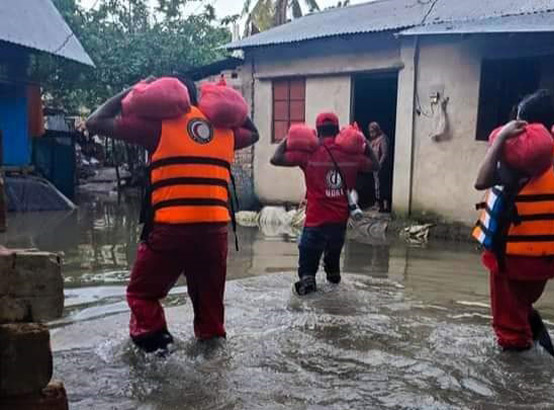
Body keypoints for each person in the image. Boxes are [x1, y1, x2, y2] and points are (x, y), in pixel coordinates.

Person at [85, 75, 259, 353]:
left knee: (142, 295)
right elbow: (255, 132)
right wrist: (223, 104)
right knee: (210, 307)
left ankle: (158, 352)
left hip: (171, 231)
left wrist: (132, 90)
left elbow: (94, 121)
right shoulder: (225, 132)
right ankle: (212, 362)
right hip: (215, 234)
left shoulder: (156, 126)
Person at [473, 90, 554, 355]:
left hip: (513, 256)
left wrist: (500, 139)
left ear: (525, 125)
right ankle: (536, 342)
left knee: (508, 330)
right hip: (548, 259)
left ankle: (516, 390)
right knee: (522, 305)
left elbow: (481, 180)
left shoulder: (523, 161)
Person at [270, 113, 380, 295]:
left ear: (317, 131)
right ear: (337, 131)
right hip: (339, 224)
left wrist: (290, 137)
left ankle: (309, 306)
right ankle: (334, 300)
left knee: (307, 276)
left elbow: (276, 158)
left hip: (315, 223)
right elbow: (375, 165)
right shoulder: (350, 156)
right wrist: (363, 142)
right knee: (334, 276)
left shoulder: (309, 154)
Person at [368, 122, 392, 213]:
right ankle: (378, 203)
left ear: (377, 130)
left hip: (382, 166)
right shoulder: (372, 141)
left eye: (373, 131)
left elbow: (384, 153)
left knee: (383, 185)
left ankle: (385, 206)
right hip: (375, 166)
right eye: (370, 132)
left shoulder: (382, 139)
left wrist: (380, 164)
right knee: (376, 185)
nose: (371, 134)